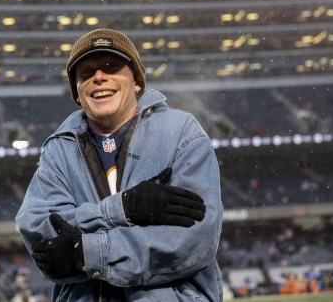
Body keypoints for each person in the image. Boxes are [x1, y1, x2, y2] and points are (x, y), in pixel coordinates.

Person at [15, 28, 223, 301]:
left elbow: (195, 240)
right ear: (77, 93)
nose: (99, 77)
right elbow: (42, 238)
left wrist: (86, 252)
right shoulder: (58, 149)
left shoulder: (181, 133)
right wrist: (122, 209)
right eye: (86, 73)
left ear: (137, 82)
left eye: (111, 67)